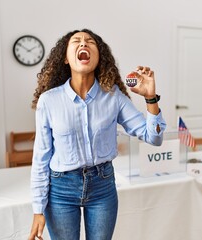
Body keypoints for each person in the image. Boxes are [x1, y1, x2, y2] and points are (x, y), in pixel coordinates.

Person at [28, 28, 167, 240]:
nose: (83, 44)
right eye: (76, 41)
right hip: (60, 190)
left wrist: (150, 98)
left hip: (102, 187)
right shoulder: (49, 101)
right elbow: (41, 157)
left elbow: (154, 137)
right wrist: (38, 209)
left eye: (90, 41)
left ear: (99, 56)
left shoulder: (114, 97)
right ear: (65, 58)